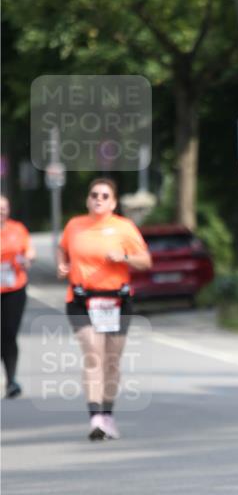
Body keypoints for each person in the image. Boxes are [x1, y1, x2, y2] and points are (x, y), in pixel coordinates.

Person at [57, 177, 152, 440]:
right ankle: (95, 417)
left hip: (117, 301)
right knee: (93, 354)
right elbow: (62, 249)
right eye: (94, 195)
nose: (99, 199)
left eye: (104, 196)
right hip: (81, 299)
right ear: (88, 199)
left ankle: (108, 414)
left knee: (112, 360)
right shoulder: (74, 226)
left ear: (114, 202)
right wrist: (62, 265)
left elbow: (145, 261)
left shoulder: (124, 228)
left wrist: (125, 257)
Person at [1, 195, 35, 398]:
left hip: (14, 289)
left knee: (9, 333)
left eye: (4, 207)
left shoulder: (17, 229)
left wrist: (28, 259)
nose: (1, 211)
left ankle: (11, 380)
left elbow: (29, 251)